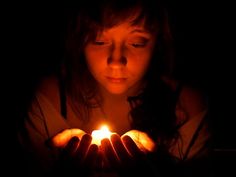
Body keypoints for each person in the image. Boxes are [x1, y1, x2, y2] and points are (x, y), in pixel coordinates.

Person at [16, 0, 212, 176]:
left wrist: (156, 173)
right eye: (99, 41)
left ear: (157, 44)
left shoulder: (186, 106)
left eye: (137, 43)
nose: (116, 61)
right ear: (80, 42)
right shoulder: (52, 97)